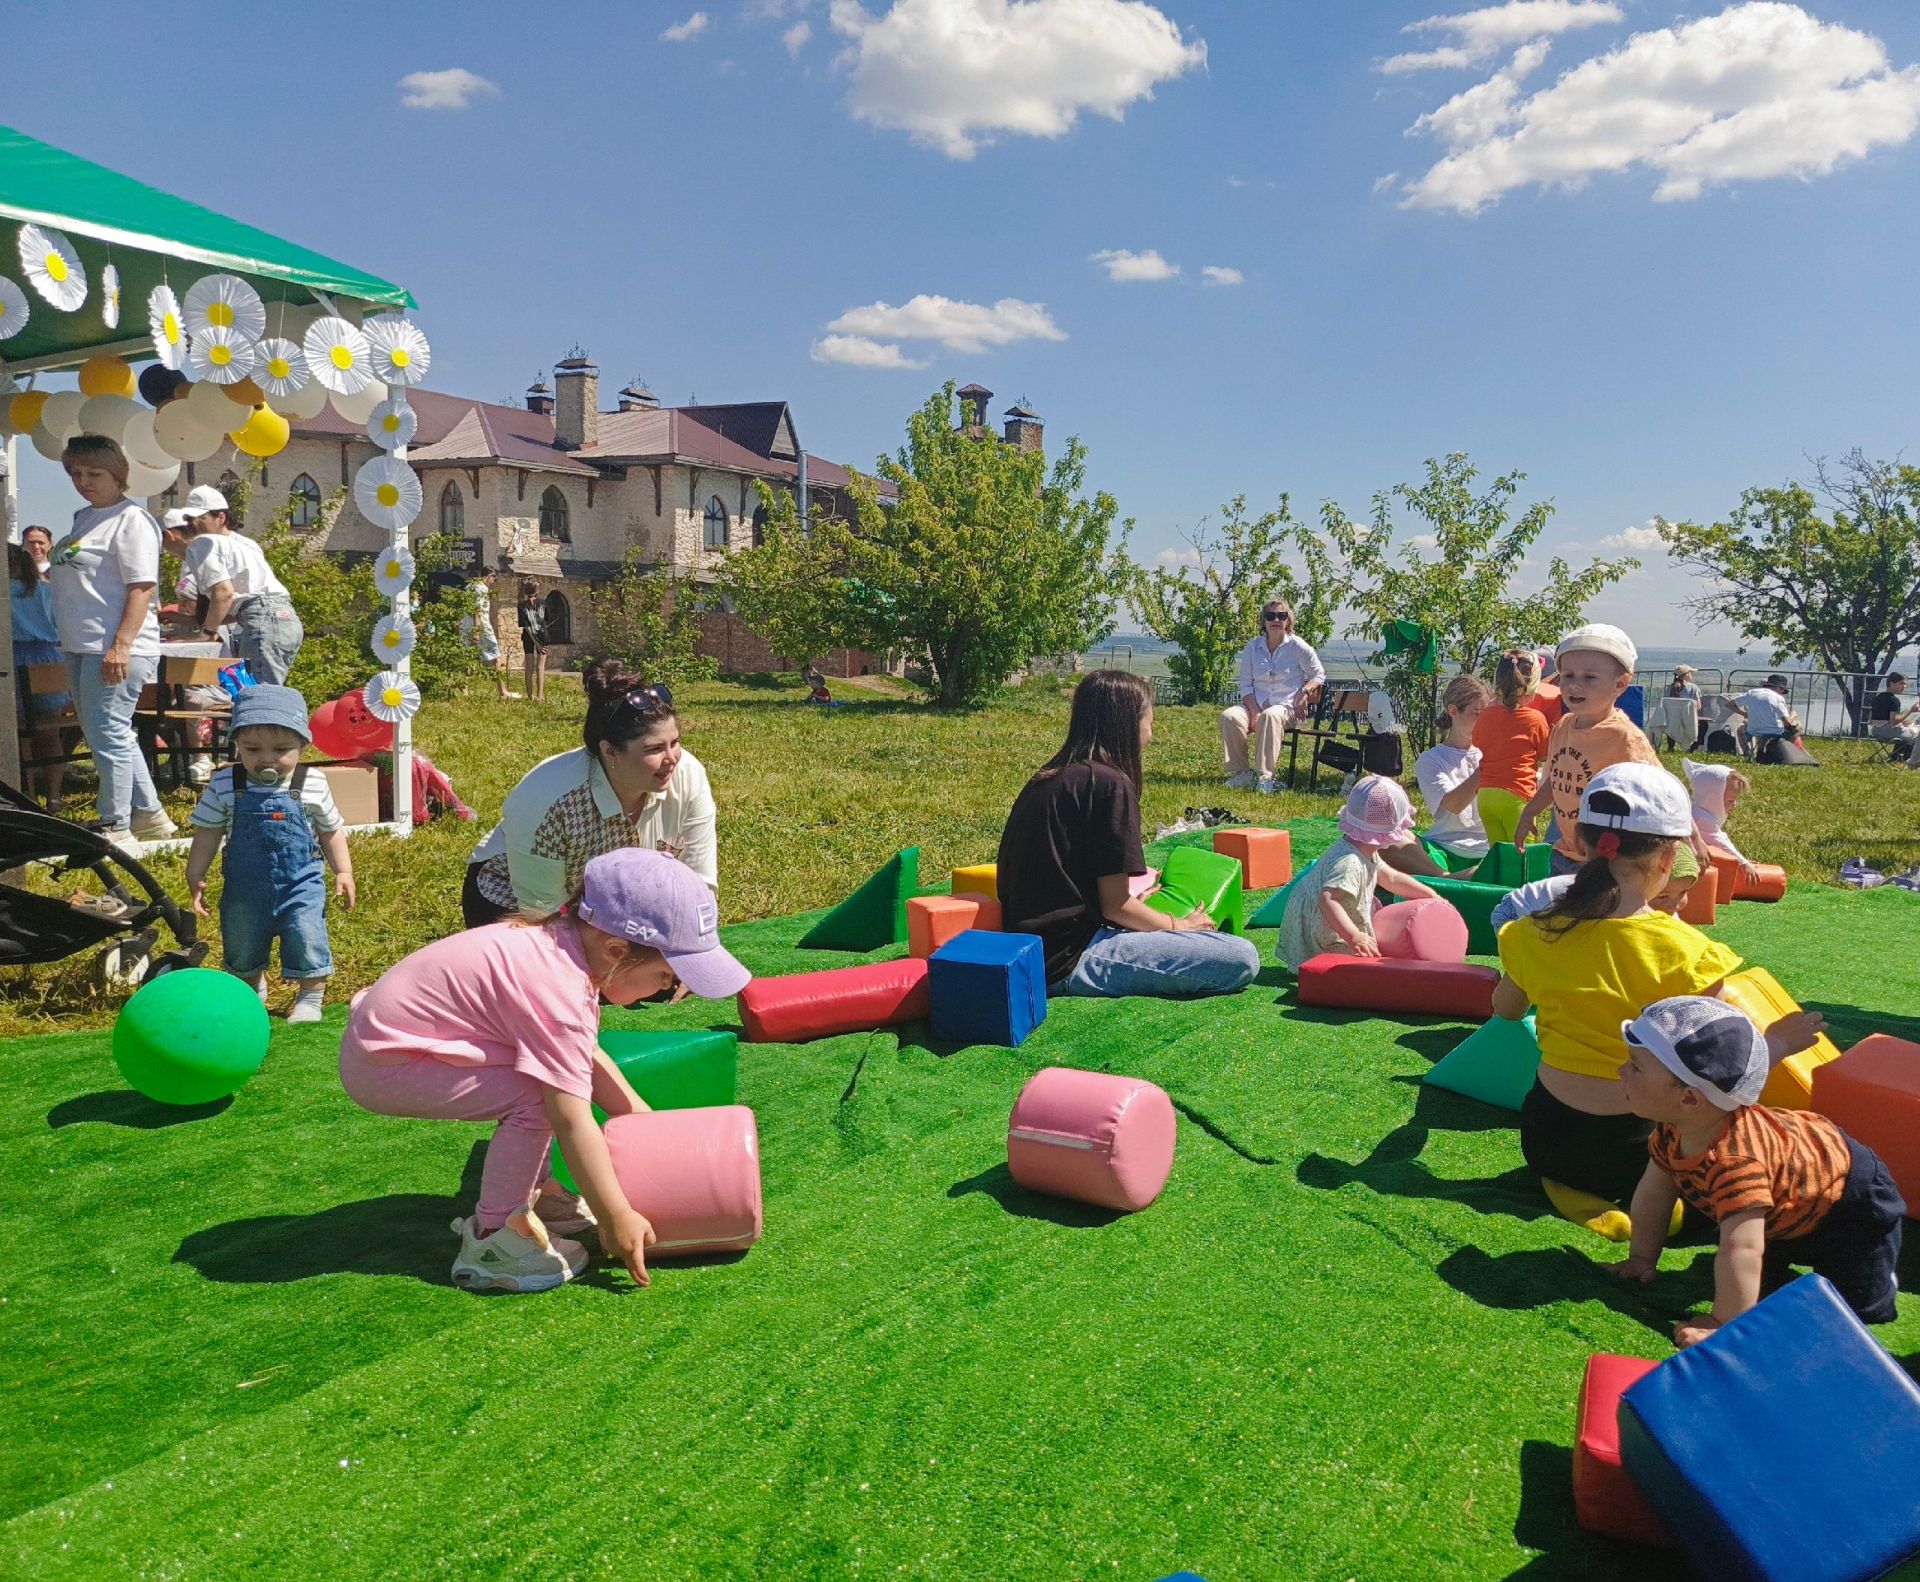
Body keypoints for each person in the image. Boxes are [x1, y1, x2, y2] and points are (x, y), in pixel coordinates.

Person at [341, 848, 752, 1294]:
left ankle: (537, 1191)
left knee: (545, 1078)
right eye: (664, 977)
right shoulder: (560, 991)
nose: (667, 989)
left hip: (404, 1040)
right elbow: (571, 1119)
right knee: (537, 1096)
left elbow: (584, 1057)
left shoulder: (563, 948)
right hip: (388, 1061)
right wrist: (614, 1216)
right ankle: (493, 1239)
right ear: (617, 951)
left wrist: (643, 1123)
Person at [1494, 764, 1750, 1240]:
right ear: (1668, 857)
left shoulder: (1531, 933)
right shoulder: (1689, 952)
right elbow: (1719, 1066)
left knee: (1567, 1164)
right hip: (1638, 1149)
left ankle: (1566, 1189)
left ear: (1582, 845)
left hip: (1547, 1136)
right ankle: (1662, 1206)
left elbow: (1507, 1010)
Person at [1612, 996, 1902, 1343]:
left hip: (1851, 1198)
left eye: (1635, 1066)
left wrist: (1723, 1323)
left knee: (1853, 1307)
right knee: (1761, 1282)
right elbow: (1654, 1193)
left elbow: (1742, 1248)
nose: (1621, 1071)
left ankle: (1882, 1284)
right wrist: (1641, 1259)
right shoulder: (1673, 1128)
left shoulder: (1736, 1163)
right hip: (1785, 1199)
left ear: (1690, 1099)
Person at [1000, 669, 1260, 997]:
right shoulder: (1109, 783)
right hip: (1067, 959)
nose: (1151, 732)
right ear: (1128, 722)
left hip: (1028, 947)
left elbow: (1075, 882)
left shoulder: (1052, 776)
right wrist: (1178, 926)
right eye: (1150, 719)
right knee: (1241, 956)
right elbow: (1115, 908)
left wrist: (1130, 906)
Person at [464, 661, 717, 927]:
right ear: (609, 751)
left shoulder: (688, 774)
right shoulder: (547, 797)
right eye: (654, 749)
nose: (672, 759)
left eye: (674, 743)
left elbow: (700, 885)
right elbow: (542, 918)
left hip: (603, 903)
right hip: (511, 904)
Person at [185, 685, 355, 1024]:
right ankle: (251, 987)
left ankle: (310, 995)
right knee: (242, 939)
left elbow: (330, 830)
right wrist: (195, 873)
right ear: (236, 745)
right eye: (252, 748)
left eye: (281, 749)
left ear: (303, 746)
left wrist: (343, 871)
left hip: (301, 883)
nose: (266, 758)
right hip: (244, 887)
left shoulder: (312, 782)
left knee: (306, 933)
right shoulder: (224, 784)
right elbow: (208, 833)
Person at [48, 435, 173, 849]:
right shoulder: (84, 516)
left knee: (108, 732)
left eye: (93, 473)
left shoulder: (132, 520)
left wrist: (120, 645)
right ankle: (151, 816)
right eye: (75, 473)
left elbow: (142, 587)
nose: (83, 480)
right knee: (107, 732)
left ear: (117, 474)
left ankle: (115, 825)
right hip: (79, 643)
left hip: (116, 646)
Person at [1513, 624, 1662, 877]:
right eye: (1568, 676)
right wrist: (1530, 811)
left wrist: (1691, 838)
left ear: (1621, 684)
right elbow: (1558, 778)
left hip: (1607, 858)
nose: (1574, 685)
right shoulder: (1563, 726)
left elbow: (1661, 790)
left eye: (1589, 677)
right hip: (1566, 851)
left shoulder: (1623, 736)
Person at [1278, 776, 1441, 972]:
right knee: (1364, 965)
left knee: (1371, 954)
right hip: (1323, 929)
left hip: (1331, 920)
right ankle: (1319, 965)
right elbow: (1328, 900)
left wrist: (1431, 895)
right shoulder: (1350, 862)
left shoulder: (1364, 851)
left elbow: (1391, 878)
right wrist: (1354, 935)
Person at [174, 485, 304, 685]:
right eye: (189, 519)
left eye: (199, 518)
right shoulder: (246, 544)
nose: (193, 524)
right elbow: (241, 600)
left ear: (221, 517)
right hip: (286, 620)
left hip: (261, 620)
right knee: (268, 693)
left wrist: (206, 633)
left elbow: (224, 593)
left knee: (257, 698)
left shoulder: (203, 543)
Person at [1218, 597, 1324, 792]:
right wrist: (1254, 711)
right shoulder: (1253, 647)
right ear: (1264, 621)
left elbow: (1318, 674)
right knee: (1229, 716)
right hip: (1255, 703)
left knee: (1270, 716)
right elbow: (1246, 684)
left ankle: (1266, 777)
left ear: (1288, 620)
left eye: (1281, 615)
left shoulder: (1298, 646)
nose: (1276, 620)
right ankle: (1242, 773)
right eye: (1270, 615)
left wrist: (1304, 692)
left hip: (1286, 708)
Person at [1489, 840, 1701, 933]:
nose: (1677, 903)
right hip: (1516, 912)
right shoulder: (1599, 900)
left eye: (1684, 892)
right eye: (1663, 896)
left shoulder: (1663, 911)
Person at [11, 539, 72, 811]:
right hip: (47, 660)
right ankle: (56, 796)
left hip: (12, 657)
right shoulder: (46, 591)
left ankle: (29, 795)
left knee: (21, 733)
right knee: (51, 734)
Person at [1473, 650, 1552, 847]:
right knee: (1523, 857)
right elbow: (1544, 755)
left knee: (1498, 854)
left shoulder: (1484, 716)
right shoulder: (1535, 719)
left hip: (1486, 795)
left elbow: (1478, 746)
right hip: (1517, 795)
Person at [1416, 674, 1491, 866]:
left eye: (1487, 714)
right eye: (1477, 713)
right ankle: (1445, 876)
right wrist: (1491, 763)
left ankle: (1448, 881)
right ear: (1453, 710)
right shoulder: (1431, 759)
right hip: (1444, 848)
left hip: (1490, 848)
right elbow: (1454, 804)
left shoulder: (1492, 753)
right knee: (1393, 841)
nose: (1483, 721)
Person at [1682, 758, 1759, 889]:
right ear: (1712, 799)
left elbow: (1720, 838)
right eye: (1730, 801)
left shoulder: (1700, 813)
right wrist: (1743, 862)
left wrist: (1738, 859)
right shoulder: (1701, 818)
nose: (1734, 805)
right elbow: (1721, 842)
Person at [1726, 674, 1803, 763]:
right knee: (1797, 729)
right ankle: (1790, 753)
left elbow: (1729, 704)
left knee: (1763, 730)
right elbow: (1787, 723)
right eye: (1782, 690)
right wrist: (1793, 715)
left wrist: (1744, 714)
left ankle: (1760, 752)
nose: (1782, 693)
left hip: (1753, 730)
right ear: (1780, 688)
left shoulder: (1752, 693)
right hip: (1774, 732)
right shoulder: (1778, 698)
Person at [461, 569, 511, 700]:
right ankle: (502, 691)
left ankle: (464, 691)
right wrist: (477, 631)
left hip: (465, 626)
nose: (493, 582)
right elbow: (477, 610)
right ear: (489, 576)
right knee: (495, 657)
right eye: (494, 579)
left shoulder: (469, 587)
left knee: (467, 658)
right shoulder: (481, 589)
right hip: (481, 627)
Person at [1867, 673, 1917, 757]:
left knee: (1906, 732)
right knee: (1916, 735)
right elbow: (1894, 722)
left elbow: (1871, 719)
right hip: (1889, 733)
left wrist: (1901, 722)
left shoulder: (1877, 698)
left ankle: (1895, 755)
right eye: (1901, 683)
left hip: (1875, 731)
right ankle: (1909, 758)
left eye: (1905, 684)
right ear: (1891, 683)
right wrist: (1911, 711)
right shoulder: (1894, 700)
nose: (1904, 686)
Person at [517, 577, 549, 702]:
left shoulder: (521, 606)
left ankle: (530, 696)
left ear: (525, 591)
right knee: (540, 667)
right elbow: (547, 619)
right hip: (542, 635)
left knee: (529, 667)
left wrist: (534, 641)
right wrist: (538, 643)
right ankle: (540, 695)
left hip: (527, 637)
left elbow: (526, 626)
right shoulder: (543, 603)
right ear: (537, 590)